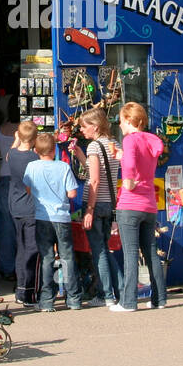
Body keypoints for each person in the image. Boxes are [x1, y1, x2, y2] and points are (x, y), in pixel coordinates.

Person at [110, 102, 167, 312]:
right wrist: (121, 157)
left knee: (131, 253)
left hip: (130, 203)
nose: (120, 125)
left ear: (128, 120)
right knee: (151, 252)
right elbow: (139, 161)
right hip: (149, 204)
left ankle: (128, 302)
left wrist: (128, 181)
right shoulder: (151, 140)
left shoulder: (129, 139)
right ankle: (159, 299)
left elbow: (132, 165)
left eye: (121, 121)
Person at [23, 132, 81, 312]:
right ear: (53, 149)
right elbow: (72, 193)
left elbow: (28, 189)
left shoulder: (31, 167)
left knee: (47, 258)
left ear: (36, 149)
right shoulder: (63, 167)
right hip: (62, 218)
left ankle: (47, 300)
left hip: (42, 217)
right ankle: (73, 299)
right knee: (67, 257)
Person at [78, 108, 119, 308]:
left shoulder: (94, 146)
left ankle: (105, 295)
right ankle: (119, 289)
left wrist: (89, 209)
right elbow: (99, 170)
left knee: (99, 250)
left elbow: (94, 179)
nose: (81, 130)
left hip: (96, 203)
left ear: (94, 126)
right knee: (105, 248)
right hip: (109, 202)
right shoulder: (113, 144)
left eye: (84, 126)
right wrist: (79, 155)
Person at [3, 120, 41, 305]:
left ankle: (20, 289)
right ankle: (29, 291)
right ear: (34, 139)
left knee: (21, 247)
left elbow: (9, 154)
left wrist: (16, 140)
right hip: (31, 208)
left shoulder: (12, 154)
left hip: (15, 207)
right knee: (32, 249)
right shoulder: (34, 159)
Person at [0, 109, 20, 278]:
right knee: (23, 223)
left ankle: (8, 267)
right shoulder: (25, 128)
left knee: (6, 225)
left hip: (5, 177)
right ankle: (25, 266)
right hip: (23, 178)